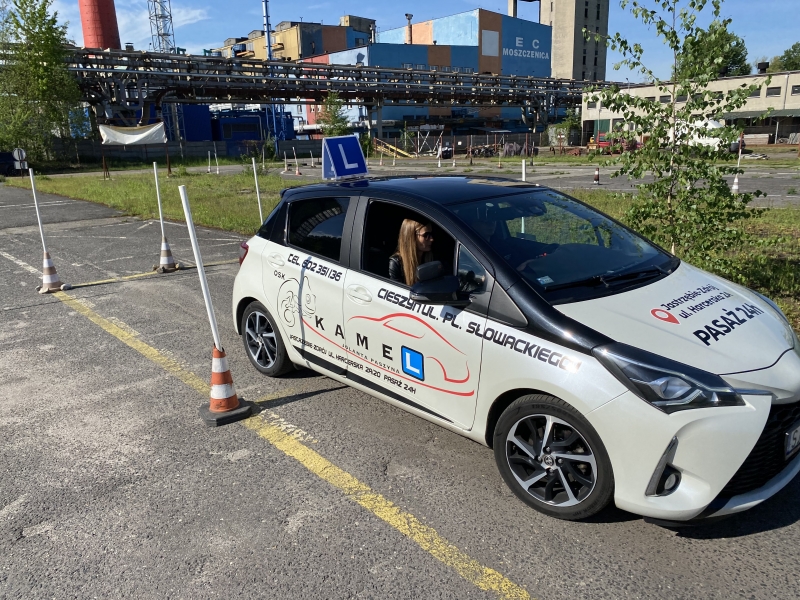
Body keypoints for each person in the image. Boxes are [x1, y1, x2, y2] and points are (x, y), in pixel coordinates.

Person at [388, 219, 434, 286]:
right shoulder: (396, 263)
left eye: (431, 234)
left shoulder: (430, 258)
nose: (432, 239)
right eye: (426, 235)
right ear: (412, 237)